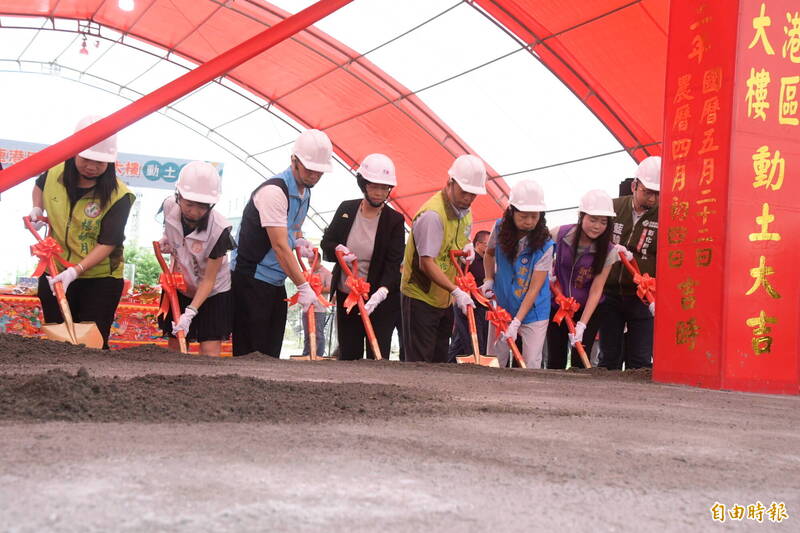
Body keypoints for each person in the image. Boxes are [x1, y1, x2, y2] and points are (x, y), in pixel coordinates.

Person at [28, 115, 135, 349]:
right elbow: (39, 185)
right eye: (86, 158)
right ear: (75, 151)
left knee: (92, 344)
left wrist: (76, 271)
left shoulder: (119, 195)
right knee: (57, 342)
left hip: (100, 279)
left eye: (100, 162)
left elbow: (109, 241)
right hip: (55, 271)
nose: (92, 166)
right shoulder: (55, 172)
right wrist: (38, 208)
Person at [231, 129, 333, 357]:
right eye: (310, 169)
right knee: (251, 353)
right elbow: (279, 245)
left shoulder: (305, 193)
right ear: (294, 161)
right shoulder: (274, 192)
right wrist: (303, 287)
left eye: (320, 171)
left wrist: (301, 241)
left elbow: (293, 230)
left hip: (276, 283)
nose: (315, 175)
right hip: (251, 280)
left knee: (270, 351)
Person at [401, 154, 487, 363]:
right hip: (420, 296)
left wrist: (466, 246)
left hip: (443, 298)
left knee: (440, 361)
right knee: (420, 361)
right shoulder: (432, 215)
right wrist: (456, 291)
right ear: (450, 183)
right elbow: (426, 262)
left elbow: (454, 243)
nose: (468, 198)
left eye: (473, 194)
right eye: (464, 192)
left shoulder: (465, 212)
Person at [321, 153, 405, 360]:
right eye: (373, 186)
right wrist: (338, 250)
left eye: (384, 188)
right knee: (349, 353)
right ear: (363, 184)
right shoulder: (346, 209)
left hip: (379, 298)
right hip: (347, 296)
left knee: (378, 355)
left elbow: (394, 263)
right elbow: (327, 243)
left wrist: (381, 292)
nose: (378, 193)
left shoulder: (394, 220)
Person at [156, 161, 235, 357]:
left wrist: (190, 312)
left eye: (202, 207)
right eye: (189, 204)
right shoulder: (168, 206)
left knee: (209, 348)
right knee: (176, 342)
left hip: (213, 291)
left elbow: (209, 280)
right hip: (182, 284)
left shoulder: (219, 230)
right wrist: (167, 239)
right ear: (178, 195)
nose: (194, 212)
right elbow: (170, 230)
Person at [546, 189, 627, 369]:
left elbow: (596, 290)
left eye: (603, 221)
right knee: (555, 360)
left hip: (588, 310)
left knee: (579, 360)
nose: (597, 226)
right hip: (557, 307)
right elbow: (539, 251)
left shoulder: (609, 251)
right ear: (581, 216)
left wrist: (582, 323)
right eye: (592, 219)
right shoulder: (559, 234)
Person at [481, 180, 553, 369]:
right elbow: (488, 254)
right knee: (495, 361)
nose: (529, 222)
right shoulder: (499, 228)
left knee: (530, 363)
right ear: (512, 211)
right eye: (524, 216)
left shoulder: (545, 244)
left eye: (534, 216)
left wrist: (517, 322)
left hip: (534, 311)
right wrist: (488, 279)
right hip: (503, 306)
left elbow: (535, 288)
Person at [599, 156, 660, 370]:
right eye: (648, 192)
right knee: (608, 359)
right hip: (610, 294)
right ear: (634, 186)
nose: (652, 199)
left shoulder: (666, 216)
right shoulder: (612, 208)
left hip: (643, 297)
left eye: (657, 194)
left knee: (641, 361)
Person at [447, 230, 490, 360]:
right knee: (473, 341)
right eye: (487, 244)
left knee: (461, 342)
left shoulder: (488, 261)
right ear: (478, 244)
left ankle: (449, 363)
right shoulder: (467, 258)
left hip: (482, 306)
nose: (490, 248)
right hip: (466, 305)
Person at [301, 261, 332, 356]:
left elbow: (330, 288)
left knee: (318, 334)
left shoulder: (327, 273)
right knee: (307, 335)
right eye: (308, 261)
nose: (310, 263)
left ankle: (318, 355)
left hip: (319, 308)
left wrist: (316, 288)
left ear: (318, 260)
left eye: (311, 261)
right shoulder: (307, 273)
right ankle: (306, 355)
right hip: (307, 308)